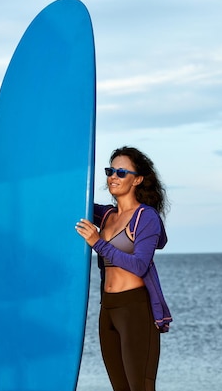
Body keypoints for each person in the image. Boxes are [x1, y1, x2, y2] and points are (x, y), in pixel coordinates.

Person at [75, 146, 172, 391]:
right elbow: (73, 201)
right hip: (107, 309)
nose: (113, 177)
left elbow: (139, 265)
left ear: (137, 179)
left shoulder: (146, 217)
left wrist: (98, 243)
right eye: (110, 171)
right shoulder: (107, 216)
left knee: (140, 386)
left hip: (135, 310)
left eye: (121, 172)